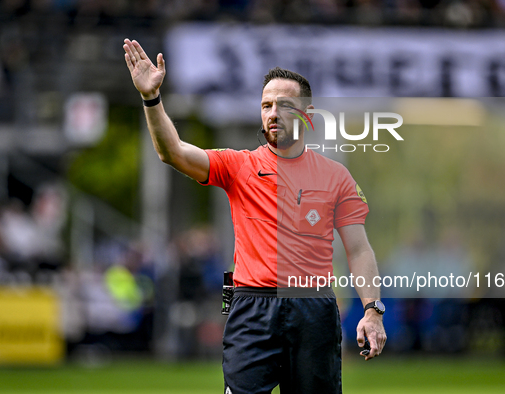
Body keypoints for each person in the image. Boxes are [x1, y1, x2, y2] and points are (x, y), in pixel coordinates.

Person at [123, 38, 386, 393]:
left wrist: (372, 310)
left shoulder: (336, 176)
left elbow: (359, 249)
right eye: (265, 105)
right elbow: (172, 152)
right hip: (252, 307)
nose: (273, 113)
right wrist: (151, 98)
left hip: (313, 308)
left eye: (284, 105)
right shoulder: (238, 165)